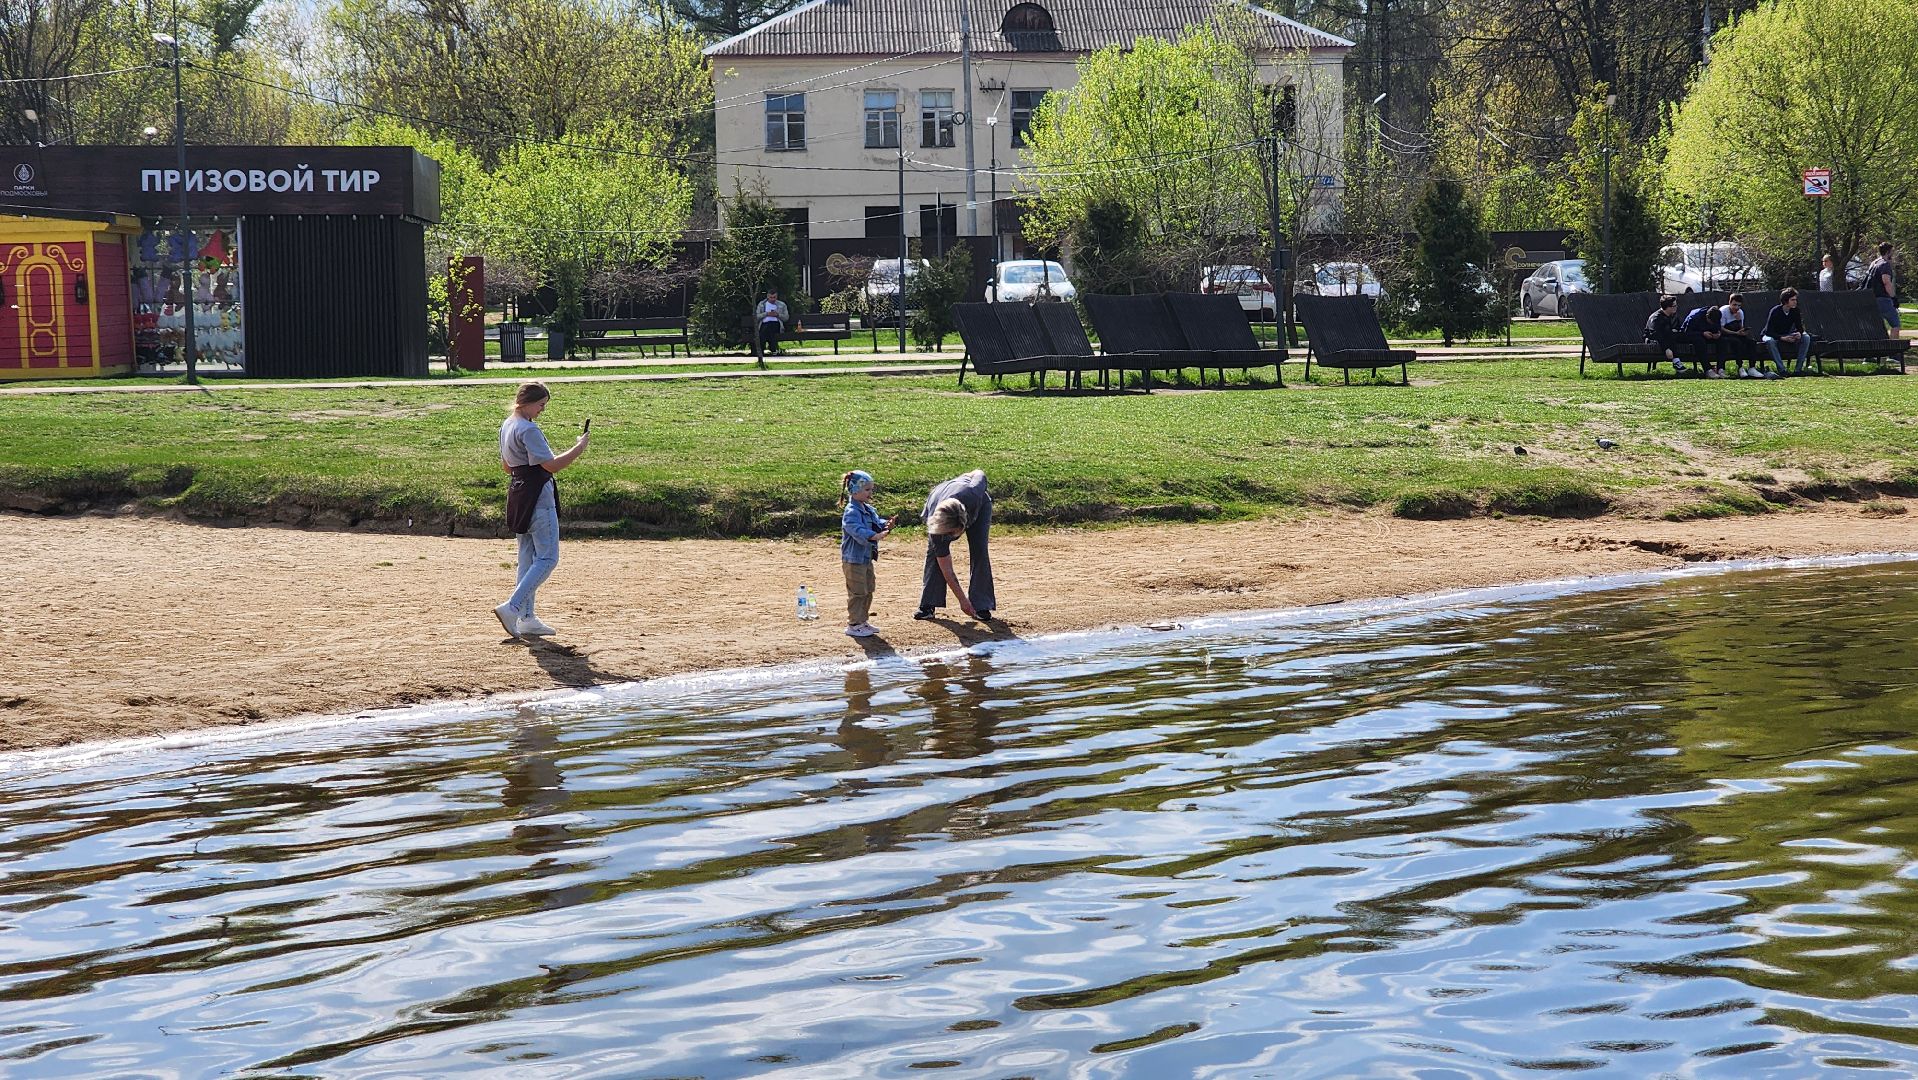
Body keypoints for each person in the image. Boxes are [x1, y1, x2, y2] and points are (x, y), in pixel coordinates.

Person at [495, 382, 589, 638]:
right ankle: (513, 608)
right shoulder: (528, 429)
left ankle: (526, 617)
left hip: (518, 494)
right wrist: (579, 447)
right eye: (541, 405)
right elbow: (551, 466)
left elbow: (507, 467)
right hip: (537, 497)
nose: (542, 410)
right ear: (527, 402)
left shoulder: (507, 425)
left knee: (527, 558)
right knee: (548, 558)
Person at [916, 469, 995, 622]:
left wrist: (968, 476)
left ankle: (981, 605)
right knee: (934, 553)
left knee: (980, 550)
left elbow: (979, 473)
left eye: (953, 533)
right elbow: (947, 569)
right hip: (939, 497)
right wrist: (962, 600)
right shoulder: (936, 525)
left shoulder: (973, 492)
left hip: (978, 504)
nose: (950, 538)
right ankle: (928, 605)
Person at [839, 469, 895, 639]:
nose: (870, 493)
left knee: (868, 589)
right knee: (857, 592)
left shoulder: (868, 509)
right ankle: (854, 624)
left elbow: (876, 523)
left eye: (871, 489)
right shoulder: (851, 511)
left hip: (865, 557)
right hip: (853, 559)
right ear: (855, 490)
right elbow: (856, 530)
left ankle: (863, 620)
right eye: (867, 490)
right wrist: (873, 536)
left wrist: (886, 525)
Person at [1718, 293, 1772, 379]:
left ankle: (1752, 368)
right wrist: (1736, 333)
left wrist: (1740, 326)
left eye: (1739, 305)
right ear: (1730, 302)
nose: (1736, 307)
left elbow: (1741, 328)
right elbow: (1721, 328)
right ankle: (1740, 367)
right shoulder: (1723, 311)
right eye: (1734, 305)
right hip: (1725, 335)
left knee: (1752, 342)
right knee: (1737, 343)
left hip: (1736, 334)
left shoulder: (1740, 312)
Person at [1762, 287, 1814, 376]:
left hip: (1786, 334)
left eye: (1795, 300)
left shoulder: (1795, 310)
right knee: (1769, 341)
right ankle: (1782, 370)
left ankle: (1798, 369)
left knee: (1806, 337)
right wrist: (1782, 338)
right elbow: (1768, 331)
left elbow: (1800, 327)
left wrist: (1799, 333)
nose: (1795, 302)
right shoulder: (1775, 311)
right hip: (1772, 335)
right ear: (1786, 301)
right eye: (1792, 300)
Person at [1680, 299, 1729, 379]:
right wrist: (1702, 333)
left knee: (1722, 341)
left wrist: (1718, 334)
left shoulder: (1716, 316)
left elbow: (1718, 328)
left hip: (1708, 335)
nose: (1713, 324)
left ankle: (1720, 368)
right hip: (1693, 335)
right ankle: (1708, 370)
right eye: (1711, 322)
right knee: (1700, 341)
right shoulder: (1695, 317)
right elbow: (1686, 333)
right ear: (1707, 317)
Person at [1645, 294, 1687, 374]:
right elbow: (1655, 335)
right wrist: (1666, 348)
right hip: (1653, 341)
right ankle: (1676, 362)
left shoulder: (1672, 316)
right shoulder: (1656, 318)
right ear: (1668, 307)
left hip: (1667, 339)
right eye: (1674, 306)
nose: (1676, 307)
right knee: (1669, 335)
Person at [1867, 242, 1899, 331]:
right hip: (1883, 298)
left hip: (1871, 297)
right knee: (1895, 325)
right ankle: (1894, 345)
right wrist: (1893, 298)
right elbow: (1886, 282)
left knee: (1877, 326)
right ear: (1888, 252)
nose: (1892, 254)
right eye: (1892, 251)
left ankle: (1880, 344)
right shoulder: (1885, 264)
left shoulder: (1874, 263)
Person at [757, 289, 790, 355]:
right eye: (771, 297)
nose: (772, 299)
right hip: (764, 324)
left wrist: (777, 315)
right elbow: (757, 317)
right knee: (767, 328)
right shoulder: (762, 304)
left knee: (769, 327)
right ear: (767, 297)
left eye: (774, 297)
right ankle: (773, 349)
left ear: (776, 297)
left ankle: (762, 350)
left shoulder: (782, 305)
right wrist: (766, 314)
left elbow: (786, 317)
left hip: (777, 324)